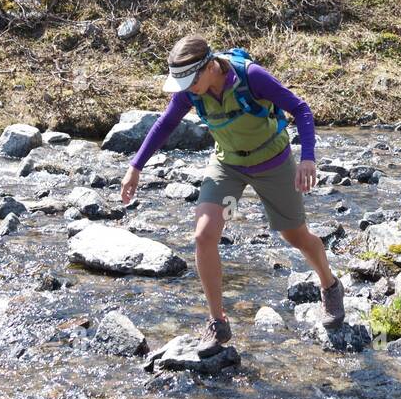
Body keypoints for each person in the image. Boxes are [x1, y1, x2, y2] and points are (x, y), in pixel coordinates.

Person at [120, 35, 344, 356]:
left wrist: (307, 156)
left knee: (296, 237)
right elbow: (165, 124)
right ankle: (217, 321)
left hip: (273, 163)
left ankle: (330, 286)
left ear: (210, 66)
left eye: (189, 80)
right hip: (228, 166)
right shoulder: (190, 93)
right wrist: (136, 166)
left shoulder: (251, 77)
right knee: (204, 234)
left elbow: (301, 109)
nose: (185, 88)